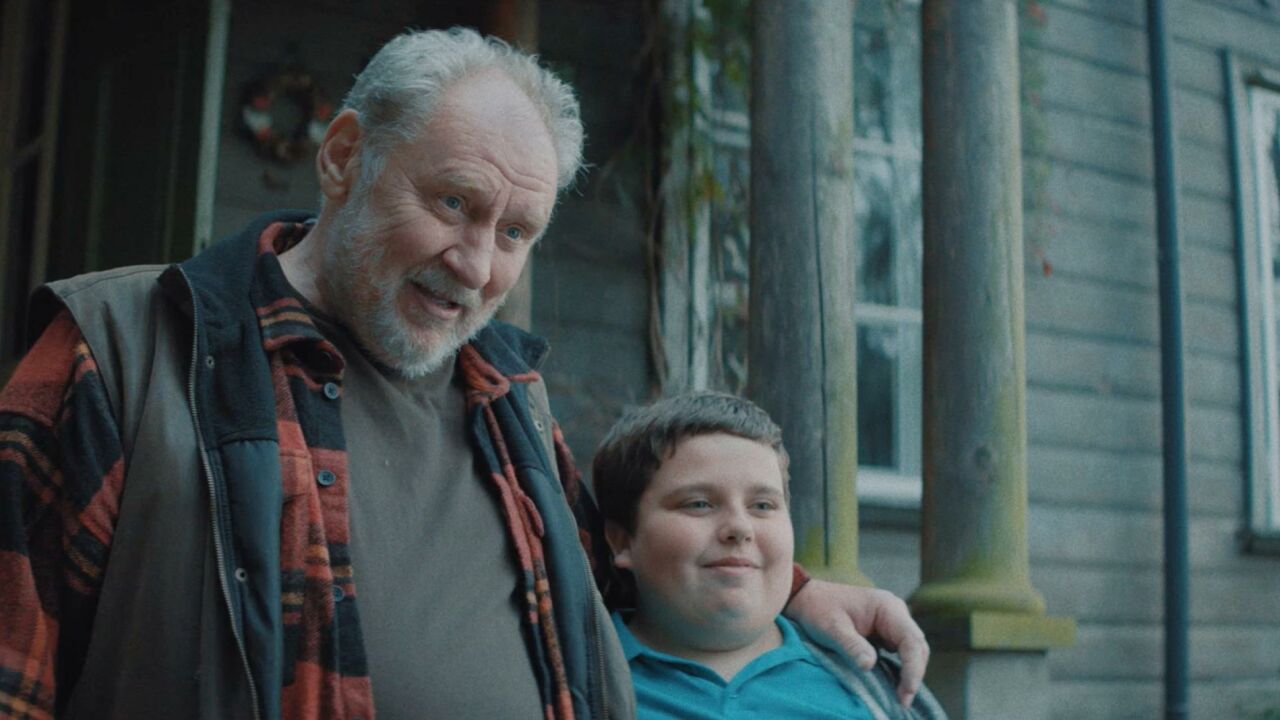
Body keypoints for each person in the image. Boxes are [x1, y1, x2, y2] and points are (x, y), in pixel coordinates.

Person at [0, 28, 927, 720]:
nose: (478, 266)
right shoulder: (121, 349)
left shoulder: (507, 398)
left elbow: (616, 579)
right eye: (453, 203)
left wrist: (799, 593)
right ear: (344, 156)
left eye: (515, 232)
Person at [592, 392, 945, 720]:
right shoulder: (581, 681)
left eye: (763, 505)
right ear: (621, 541)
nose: (739, 527)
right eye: (698, 504)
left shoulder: (871, 688)